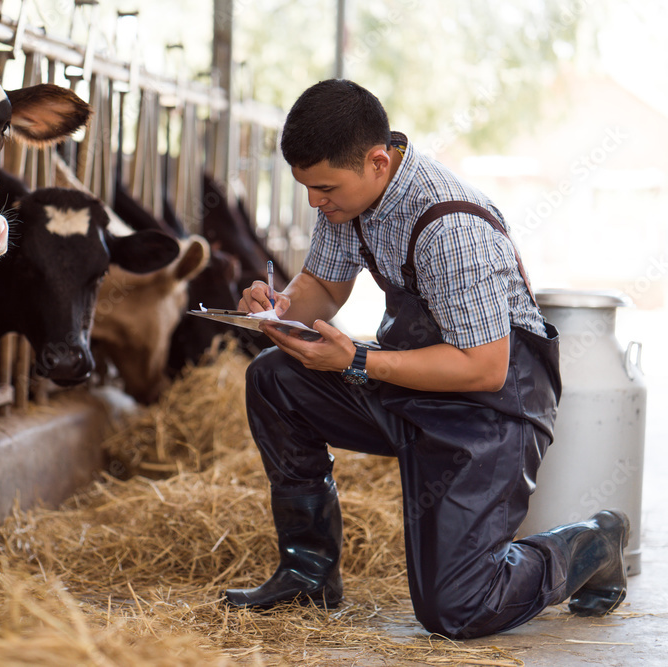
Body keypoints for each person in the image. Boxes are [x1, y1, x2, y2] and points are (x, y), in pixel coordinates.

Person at [225, 79, 629, 639]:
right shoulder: (352, 201)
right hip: (413, 384)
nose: (315, 202)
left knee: (458, 611)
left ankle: (590, 543)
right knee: (275, 378)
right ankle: (308, 574)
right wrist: (279, 309)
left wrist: (357, 361)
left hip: (490, 411)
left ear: (376, 161)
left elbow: (485, 367)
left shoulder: (450, 226)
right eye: (308, 188)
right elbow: (324, 283)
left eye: (323, 187)